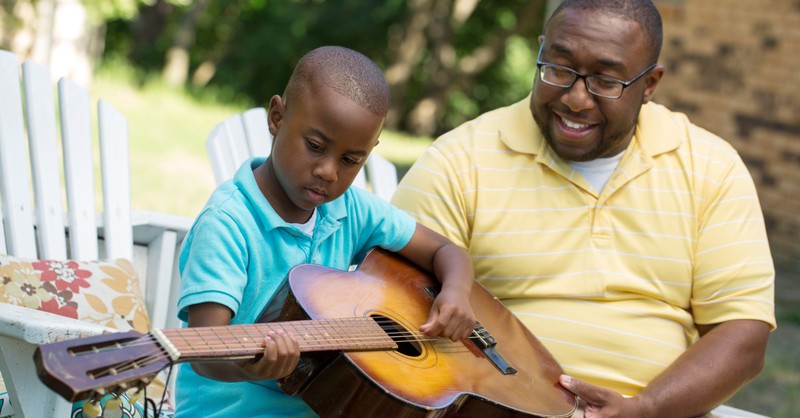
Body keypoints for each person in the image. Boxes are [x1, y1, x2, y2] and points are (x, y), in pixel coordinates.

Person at [391, 1, 776, 417]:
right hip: (491, 406)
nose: (576, 100)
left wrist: (646, 408)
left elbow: (742, 333)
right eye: (558, 69)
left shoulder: (711, 167)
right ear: (540, 51)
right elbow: (391, 297)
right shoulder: (459, 160)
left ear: (650, 84)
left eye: (606, 82)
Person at [174, 46, 477, 418]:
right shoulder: (227, 224)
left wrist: (457, 293)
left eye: (352, 160)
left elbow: (445, 251)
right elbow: (204, 351)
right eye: (315, 147)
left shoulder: (349, 209)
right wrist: (247, 365)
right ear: (277, 117)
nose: (329, 172)